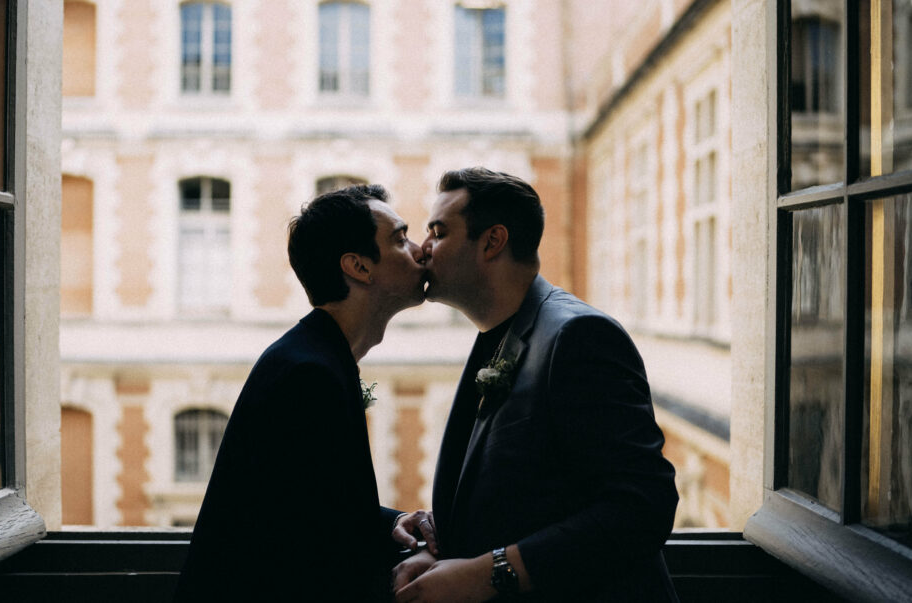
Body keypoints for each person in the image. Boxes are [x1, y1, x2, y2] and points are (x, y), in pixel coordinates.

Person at [392, 168, 679, 602]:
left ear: (492, 241)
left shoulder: (578, 337)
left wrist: (484, 574)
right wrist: (443, 547)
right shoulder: (498, 333)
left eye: (438, 231)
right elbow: (534, 492)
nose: (422, 249)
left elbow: (642, 507)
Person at [174, 184, 431, 602]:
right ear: (359, 267)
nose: (419, 250)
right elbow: (315, 551)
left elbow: (321, 509)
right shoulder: (309, 375)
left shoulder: (312, 357)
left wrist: (394, 523)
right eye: (400, 239)